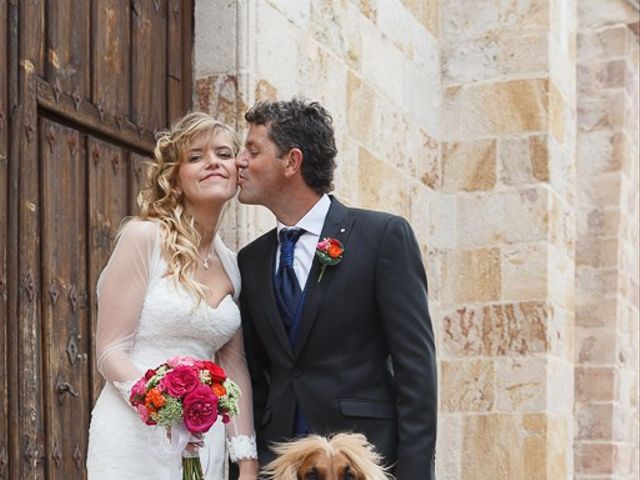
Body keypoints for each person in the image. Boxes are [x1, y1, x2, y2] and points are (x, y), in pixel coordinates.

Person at [235, 98, 437, 479]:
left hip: (362, 462)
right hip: (281, 464)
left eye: (253, 150)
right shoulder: (251, 259)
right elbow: (257, 376)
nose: (239, 161)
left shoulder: (382, 237)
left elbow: (416, 371)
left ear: (291, 162)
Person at [87, 112, 259, 479]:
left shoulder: (231, 265)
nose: (212, 161)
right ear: (175, 180)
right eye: (195, 157)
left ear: (237, 172)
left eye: (224, 153)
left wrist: (245, 458)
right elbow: (110, 351)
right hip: (136, 433)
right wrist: (163, 407)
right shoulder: (143, 238)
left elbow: (233, 367)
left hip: (202, 439)